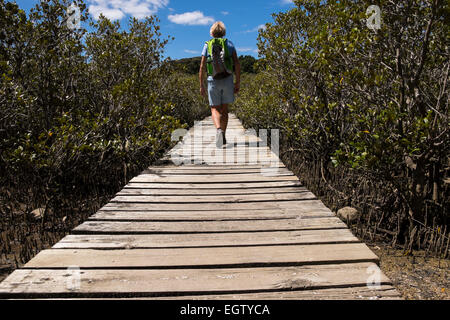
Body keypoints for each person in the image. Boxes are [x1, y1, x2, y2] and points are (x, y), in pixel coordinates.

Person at [199, 21, 241, 148]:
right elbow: (237, 64)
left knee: (214, 108)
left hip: (213, 79)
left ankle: (218, 129)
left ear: (212, 32)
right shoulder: (229, 43)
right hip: (227, 78)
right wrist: (237, 81)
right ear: (223, 32)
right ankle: (223, 133)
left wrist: (201, 84)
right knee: (224, 109)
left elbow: (202, 66)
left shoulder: (207, 45)